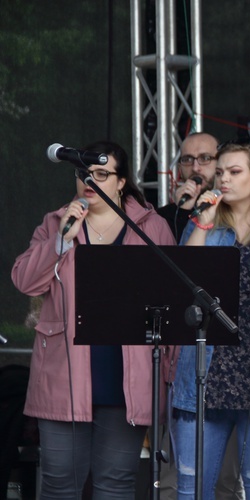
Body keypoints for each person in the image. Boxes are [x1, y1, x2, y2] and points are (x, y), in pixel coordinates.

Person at [11, 140, 176, 499]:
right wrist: (61, 241)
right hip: (64, 376)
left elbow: (170, 301)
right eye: (84, 174)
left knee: (115, 485)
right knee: (58, 484)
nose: (91, 180)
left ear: (121, 181)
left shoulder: (152, 227)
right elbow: (25, 281)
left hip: (126, 380)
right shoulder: (56, 222)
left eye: (102, 174)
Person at [170, 140, 250, 499]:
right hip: (206, 374)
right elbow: (181, 287)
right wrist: (201, 224)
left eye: (235, 172)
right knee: (191, 487)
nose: (224, 180)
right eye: (220, 172)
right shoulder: (207, 226)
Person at [158, 132, 220, 240]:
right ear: (180, 169)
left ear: (221, 163)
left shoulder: (235, 208)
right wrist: (182, 212)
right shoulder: (162, 217)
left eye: (205, 158)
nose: (195, 168)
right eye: (187, 160)